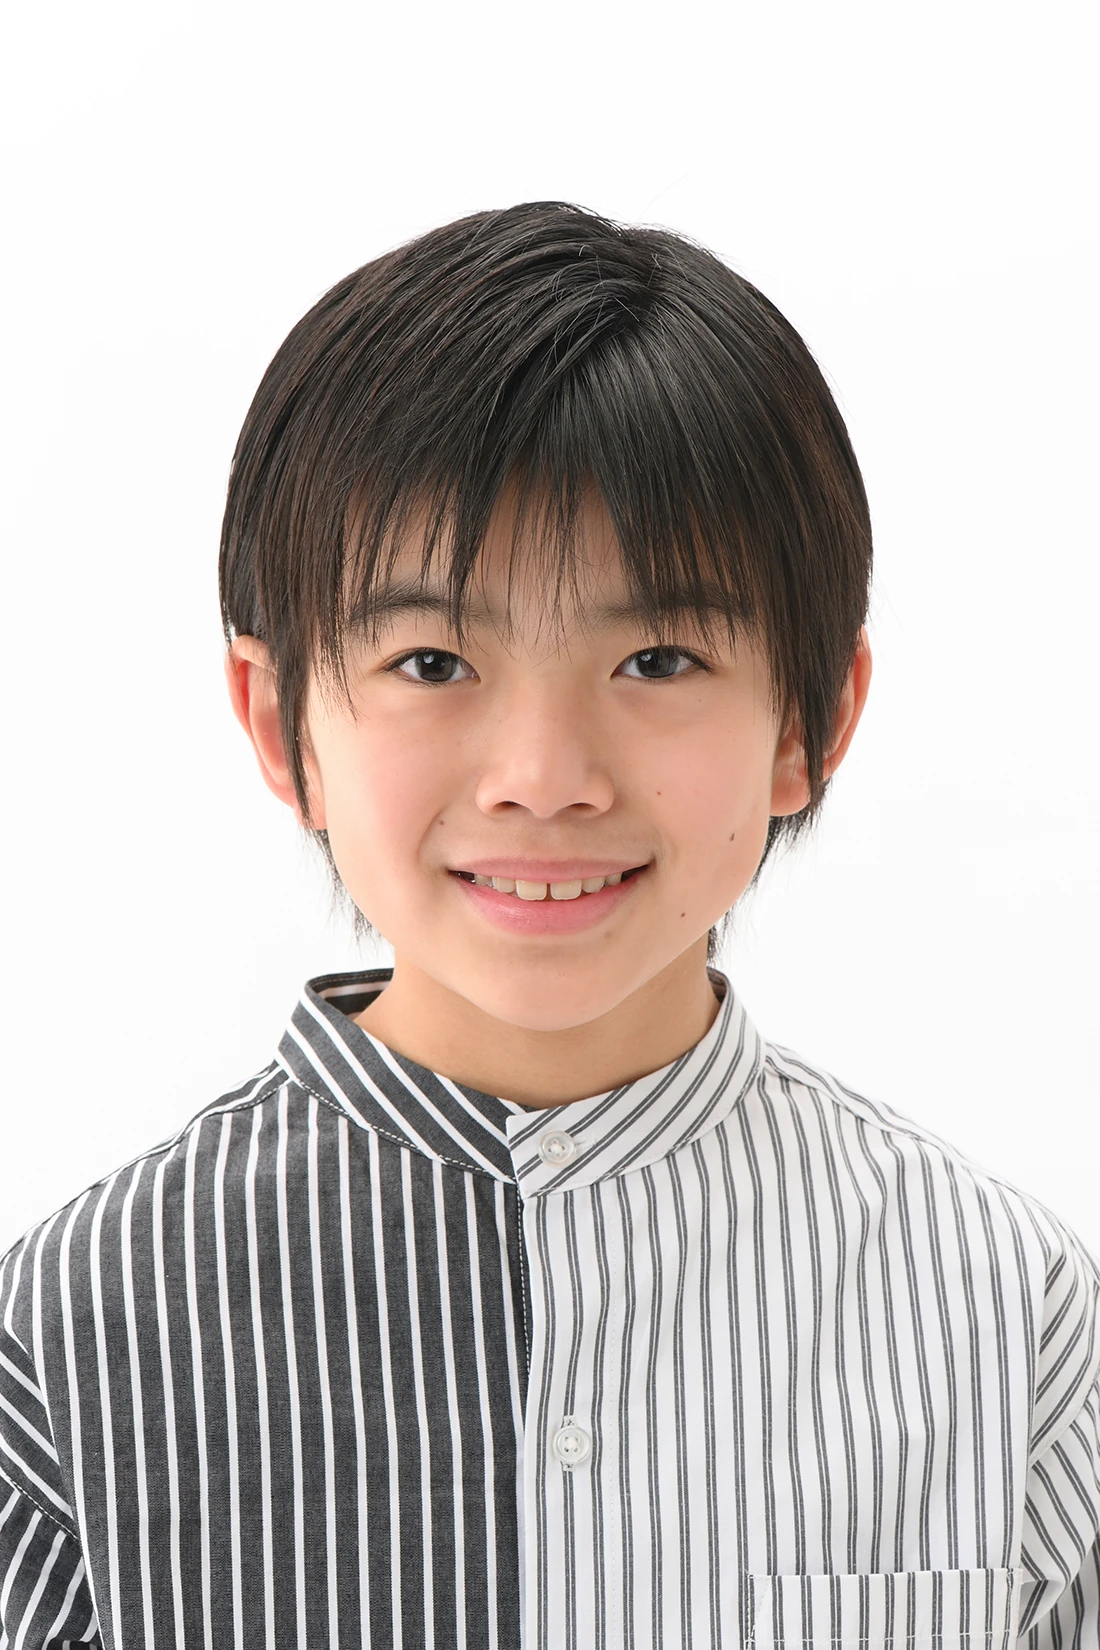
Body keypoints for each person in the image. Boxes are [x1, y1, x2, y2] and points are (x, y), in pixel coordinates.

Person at [0, 201, 1095, 1650]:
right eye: (430, 660)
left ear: (811, 719)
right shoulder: (71, 1338)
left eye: (660, 657)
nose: (543, 777)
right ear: (280, 723)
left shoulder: (1007, 1315)